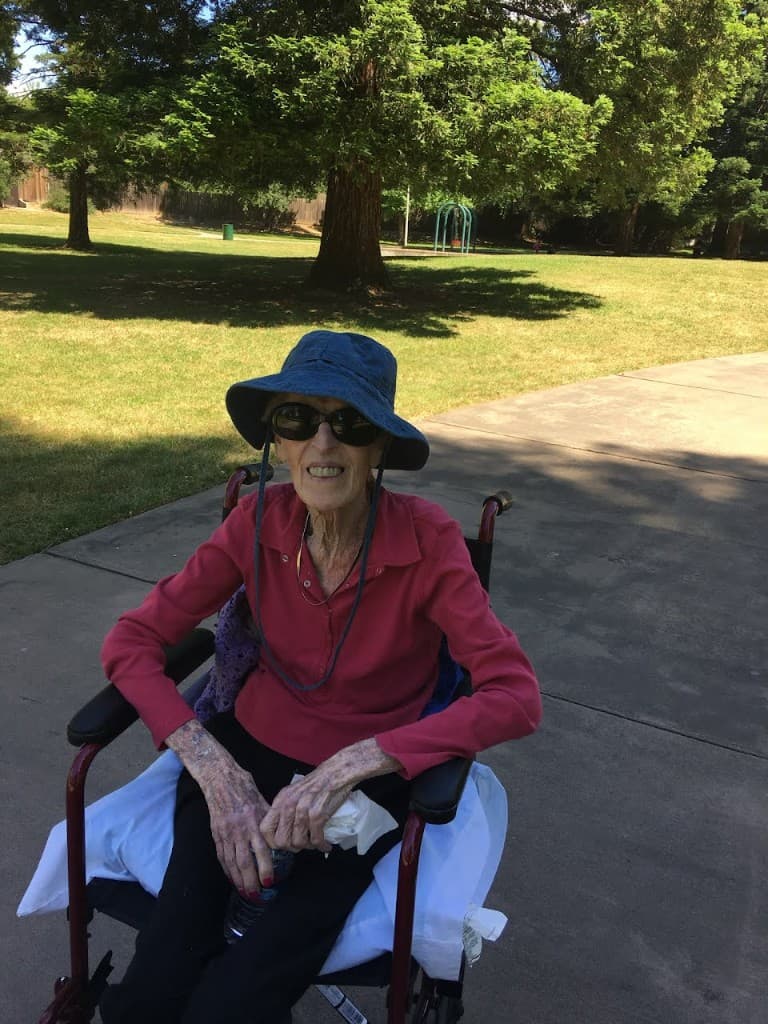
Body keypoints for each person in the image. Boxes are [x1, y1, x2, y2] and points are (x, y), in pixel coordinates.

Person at [97, 329, 541, 1024]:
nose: (323, 445)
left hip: (366, 787)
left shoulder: (427, 543)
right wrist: (213, 769)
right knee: (152, 987)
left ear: (379, 451)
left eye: (351, 424)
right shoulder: (256, 521)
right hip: (244, 756)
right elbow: (133, 641)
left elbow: (515, 696)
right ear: (278, 441)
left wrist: (357, 763)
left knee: (239, 999)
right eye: (298, 420)